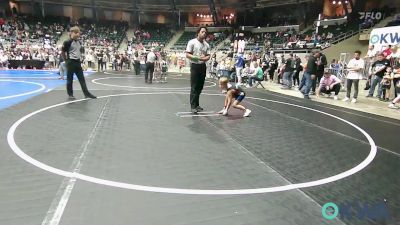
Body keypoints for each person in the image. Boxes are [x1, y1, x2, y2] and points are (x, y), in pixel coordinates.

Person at [61, 26, 96, 100]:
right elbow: (63, 51)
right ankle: (70, 94)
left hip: (77, 62)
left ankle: (87, 94)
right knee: (69, 79)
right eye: (76, 33)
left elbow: (79, 50)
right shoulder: (67, 42)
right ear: (71, 33)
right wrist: (66, 60)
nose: (78, 34)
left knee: (82, 79)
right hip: (71, 62)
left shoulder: (79, 42)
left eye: (78, 33)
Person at [185, 26, 211, 114]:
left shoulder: (206, 44)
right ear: (198, 33)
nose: (204, 33)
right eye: (202, 32)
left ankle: (197, 104)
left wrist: (204, 59)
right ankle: (193, 106)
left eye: (205, 32)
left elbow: (208, 56)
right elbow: (188, 54)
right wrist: (198, 58)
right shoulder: (192, 42)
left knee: (200, 87)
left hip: (202, 66)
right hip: (195, 66)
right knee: (194, 87)